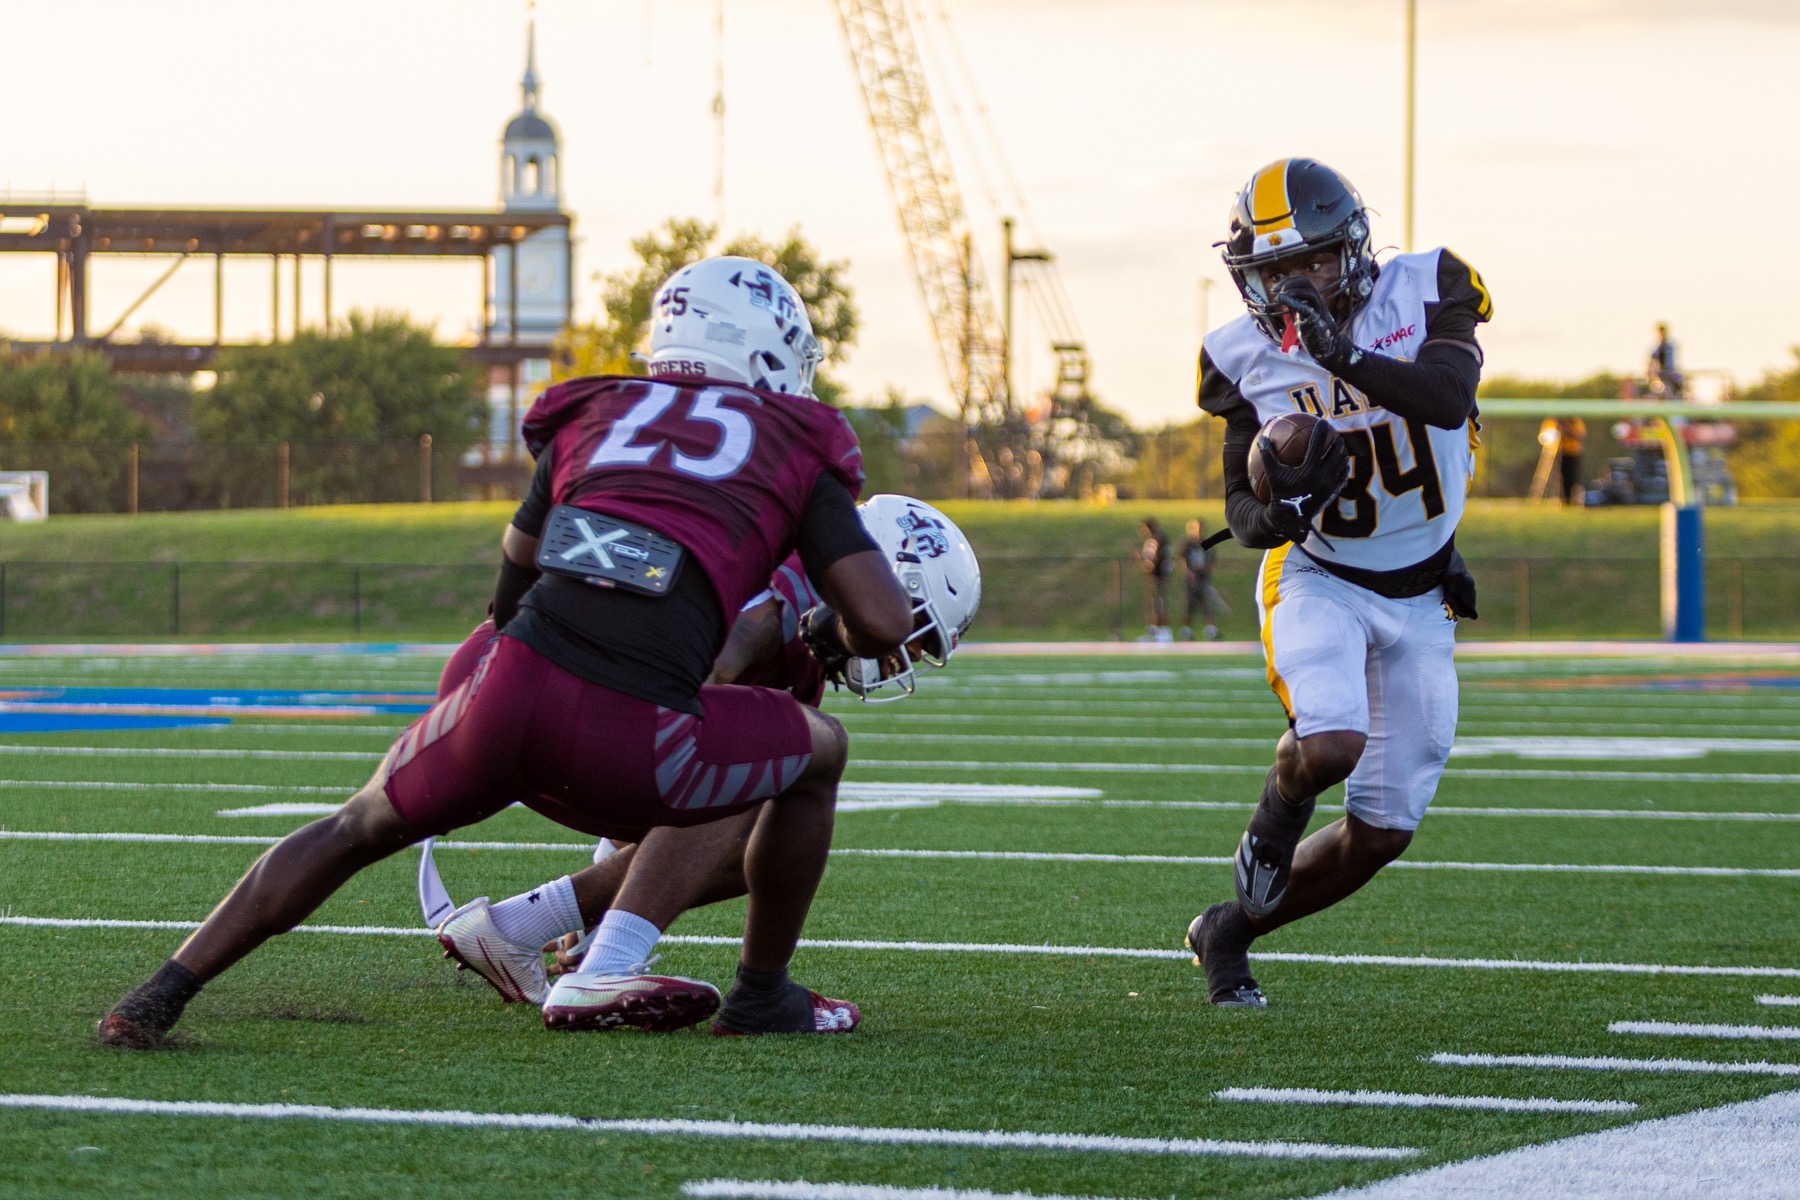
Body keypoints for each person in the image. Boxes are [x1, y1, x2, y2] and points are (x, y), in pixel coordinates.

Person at [97, 255, 915, 1046]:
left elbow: (514, 576)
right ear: (765, 351)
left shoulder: (593, 414)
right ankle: (758, 995)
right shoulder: (794, 446)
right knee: (812, 751)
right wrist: (828, 632)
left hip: (501, 699)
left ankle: (158, 994)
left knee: (353, 825)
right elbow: (881, 622)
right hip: (630, 740)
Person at [430, 496, 981, 1008]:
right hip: (532, 682)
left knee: (763, 834)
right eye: (912, 633)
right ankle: (611, 966)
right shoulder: (785, 588)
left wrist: (600, 903)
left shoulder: (803, 630)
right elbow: (692, 682)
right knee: (756, 759)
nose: (899, 656)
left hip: (521, 686)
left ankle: (515, 929)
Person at [1189, 158, 1490, 1006]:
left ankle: (1229, 930)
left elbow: (1446, 395)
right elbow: (1240, 508)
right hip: (1320, 575)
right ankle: (1276, 814)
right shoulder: (1239, 354)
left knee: (1383, 832)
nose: (1296, 287)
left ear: (1353, 248)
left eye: (1314, 262)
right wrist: (1280, 514)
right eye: (1274, 272)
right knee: (1328, 746)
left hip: (1422, 592)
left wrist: (1341, 355)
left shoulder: (1429, 285)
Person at [1178, 517, 1224, 640]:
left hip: (1203, 579)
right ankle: (1187, 631)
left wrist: (1203, 569)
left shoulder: (1207, 543)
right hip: (1190, 581)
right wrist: (1188, 572)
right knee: (1188, 605)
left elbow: (1211, 561)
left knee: (1206, 605)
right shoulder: (1186, 545)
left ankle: (1211, 631)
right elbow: (1182, 560)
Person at [1136, 518, 1174, 642]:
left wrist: (1145, 560)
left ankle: (1164, 632)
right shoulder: (1155, 539)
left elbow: (1155, 558)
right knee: (1154, 604)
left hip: (1159, 575)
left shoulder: (1158, 538)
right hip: (1155, 575)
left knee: (1159, 603)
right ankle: (1154, 631)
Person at [1649, 322, 1684, 399]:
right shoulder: (1658, 348)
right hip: (1663, 373)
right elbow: (1652, 360)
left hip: (1670, 372)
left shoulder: (1670, 346)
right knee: (1666, 391)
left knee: (1674, 391)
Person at [1555, 417, 1586, 505]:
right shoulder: (1554, 421)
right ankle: (1563, 499)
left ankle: (1575, 499)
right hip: (1559, 453)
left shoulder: (1575, 421)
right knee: (1561, 477)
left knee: (1573, 477)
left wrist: (1567, 430)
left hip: (1573, 453)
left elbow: (1580, 434)